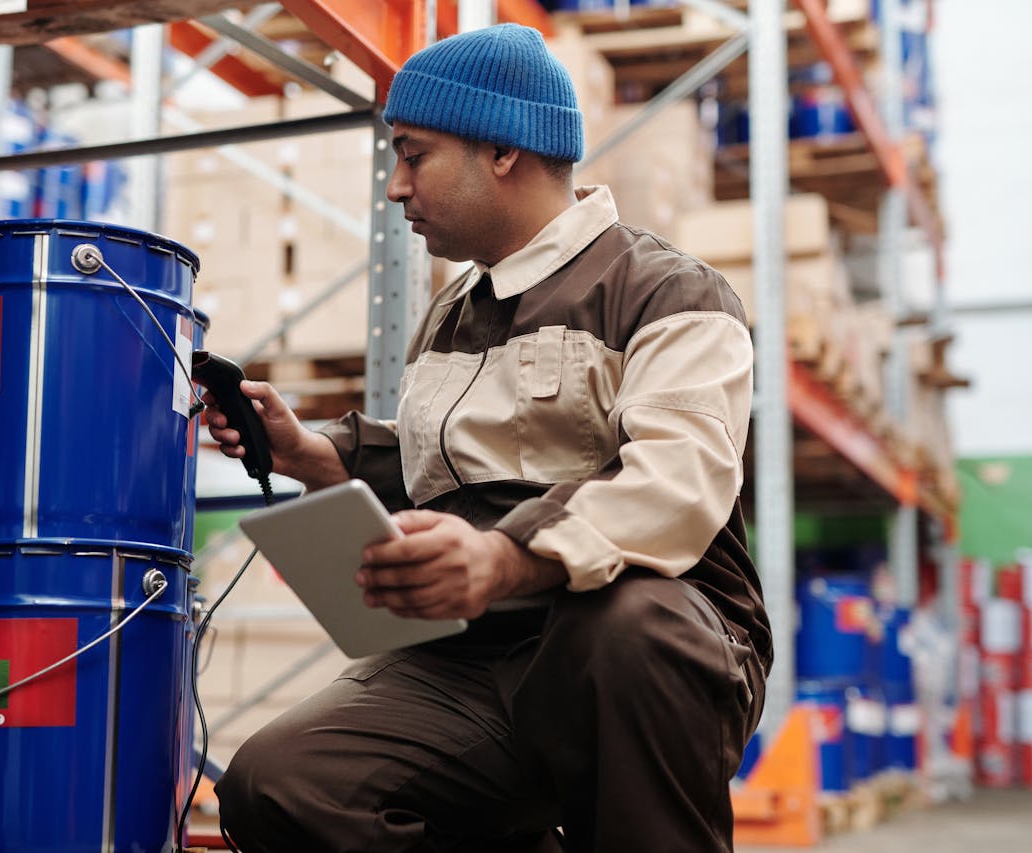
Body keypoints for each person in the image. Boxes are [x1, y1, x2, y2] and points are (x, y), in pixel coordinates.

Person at [206, 23, 771, 853]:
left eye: (414, 154)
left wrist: (504, 557)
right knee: (279, 784)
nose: (396, 188)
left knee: (620, 629)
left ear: (503, 150)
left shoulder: (668, 293)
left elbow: (676, 487)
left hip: (654, 640)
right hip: (478, 650)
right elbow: (448, 461)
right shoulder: (450, 314)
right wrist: (310, 452)